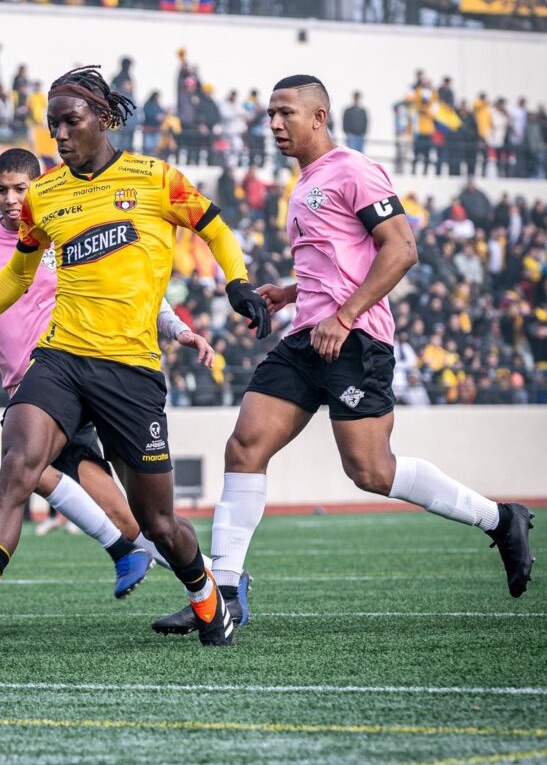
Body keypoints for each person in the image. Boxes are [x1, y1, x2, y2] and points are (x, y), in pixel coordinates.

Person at [151, 74, 535, 636]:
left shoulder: (353, 169)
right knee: (245, 445)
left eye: (286, 113)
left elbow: (402, 248)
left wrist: (344, 315)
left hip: (356, 339)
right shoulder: (304, 182)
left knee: (372, 471)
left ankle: (500, 520)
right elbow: (336, 262)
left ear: (319, 117)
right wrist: (290, 293)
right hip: (307, 336)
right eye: (270, 115)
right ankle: (224, 591)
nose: (275, 124)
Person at [0, 65, 271, 652]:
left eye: (70, 121)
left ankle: (206, 594)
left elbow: (214, 228)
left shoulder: (155, 178)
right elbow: (15, 276)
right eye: (51, 124)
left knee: (157, 523)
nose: (58, 135)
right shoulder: (45, 194)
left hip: (131, 372)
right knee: (19, 464)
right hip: (60, 359)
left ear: (103, 119)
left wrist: (237, 282)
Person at [0, 146, 220, 597]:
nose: (10, 198)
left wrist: (179, 331)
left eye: (20, 188)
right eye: (1, 189)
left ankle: (141, 557)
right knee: (125, 514)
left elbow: (134, 286)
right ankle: (213, 579)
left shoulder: (65, 225)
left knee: (30, 470)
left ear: (38, 185)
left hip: (81, 370)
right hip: (28, 385)